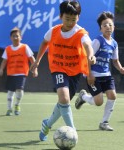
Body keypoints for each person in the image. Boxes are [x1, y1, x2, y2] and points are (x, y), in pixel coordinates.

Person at [30, 1, 96, 141]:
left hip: (75, 72)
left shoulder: (80, 32)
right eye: (67, 18)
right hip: (58, 68)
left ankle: (47, 124)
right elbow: (44, 42)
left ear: (78, 17)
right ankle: (73, 131)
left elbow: (87, 44)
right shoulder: (54, 31)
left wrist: (91, 55)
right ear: (60, 16)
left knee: (63, 102)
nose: (70, 22)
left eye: (74, 19)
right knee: (64, 98)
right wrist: (37, 61)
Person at [75, 11, 124, 131]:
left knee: (113, 96)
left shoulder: (114, 43)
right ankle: (84, 97)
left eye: (110, 24)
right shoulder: (98, 41)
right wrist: (89, 74)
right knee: (98, 102)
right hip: (94, 75)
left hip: (106, 75)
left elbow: (115, 61)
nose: (108, 27)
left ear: (114, 27)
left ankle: (104, 122)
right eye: (104, 25)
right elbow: (88, 56)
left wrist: (120, 68)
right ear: (100, 29)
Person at [0, 27, 38, 116]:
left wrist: (35, 69)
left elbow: (32, 58)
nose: (15, 38)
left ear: (21, 37)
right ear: (10, 38)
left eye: (17, 36)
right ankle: (9, 109)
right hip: (11, 74)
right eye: (13, 36)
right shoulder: (8, 49)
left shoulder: (25, 47)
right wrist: (1, 69)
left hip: (22, 73)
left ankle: (17, 105)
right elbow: (4, 61)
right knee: (10, 92)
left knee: (19, 89)